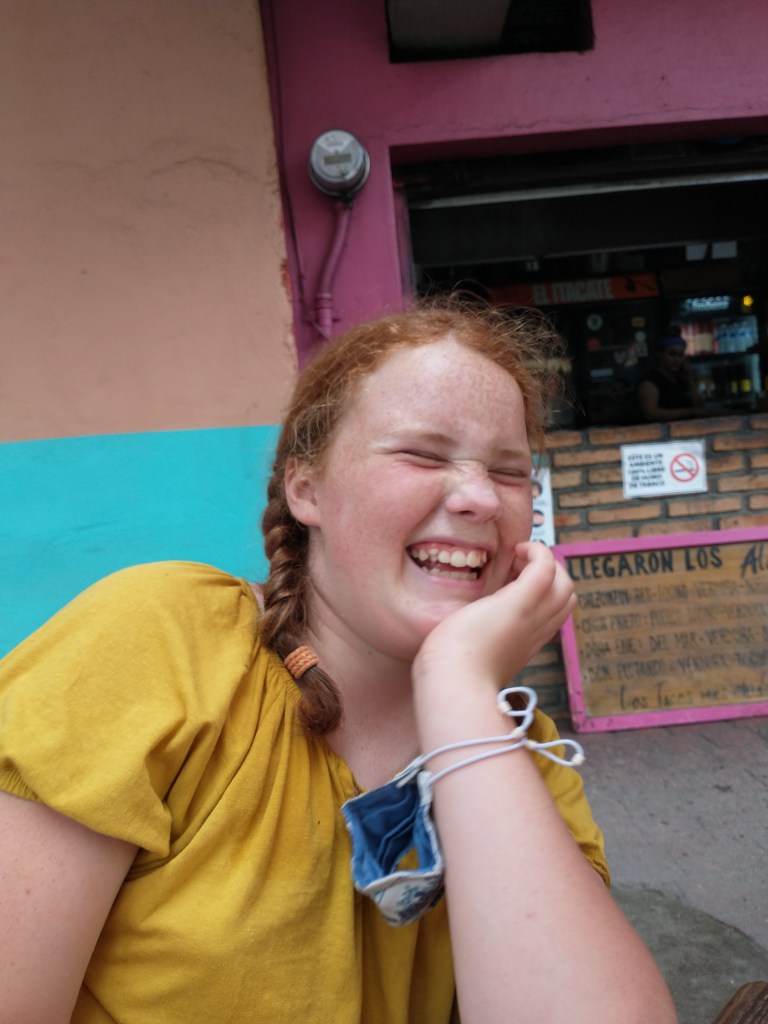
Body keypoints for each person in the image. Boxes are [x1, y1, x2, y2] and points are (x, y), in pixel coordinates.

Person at [0, 301, 678, 1024]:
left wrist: (456, 687)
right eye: (423, 455)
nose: (482, 498)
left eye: (510, 472)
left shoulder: (509, 749)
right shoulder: (162, 641)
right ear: (306, 489)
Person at [638, 332, 707, 422]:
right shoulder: (650, 380)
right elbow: (650, 413)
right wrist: (689, 412)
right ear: (660, 354)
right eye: (672, 354)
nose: (676, 360)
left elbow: (700, 408)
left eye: (680, 355)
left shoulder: (682, 379)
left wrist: (690, 380)